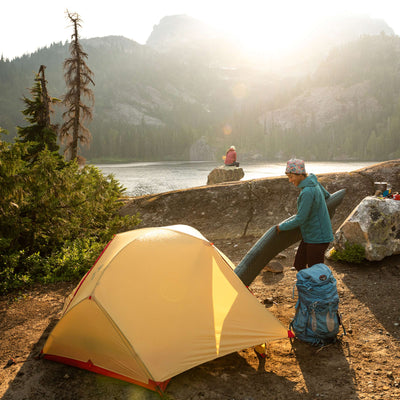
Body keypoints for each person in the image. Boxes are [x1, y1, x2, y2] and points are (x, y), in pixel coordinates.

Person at [276, 158, 333, 271]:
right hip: (312, 236)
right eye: (288, 177)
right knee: (299, 264)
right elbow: (327, 196)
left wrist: (281, 227)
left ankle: (316, 288)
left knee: (315, 271)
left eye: (291, 177)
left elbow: (300, 218)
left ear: (300, 174)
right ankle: (307, 286)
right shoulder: (314, 182)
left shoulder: (307, 191)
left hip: (318, 238)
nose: (290, 180)